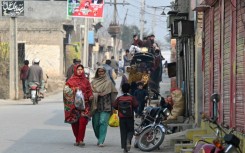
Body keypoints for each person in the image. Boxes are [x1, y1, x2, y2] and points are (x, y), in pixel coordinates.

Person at [63, 64, 94, 146]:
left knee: (83, 121)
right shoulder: (70, 81)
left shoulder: (86, 81)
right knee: (75, 122)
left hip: (85, 105)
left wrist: (90, 95)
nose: (80, 71)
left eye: (81, 69)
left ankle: (80, 140)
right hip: (74, 106)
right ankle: (77, 139)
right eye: (78, 69)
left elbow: (89, 90)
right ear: (75, 70)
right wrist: (74, 89)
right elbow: (66, 91)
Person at [91, 66, 118, 147]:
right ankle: (99, 137)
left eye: (102, 71)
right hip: (95, 105)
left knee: (103, 122)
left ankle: (101, 141)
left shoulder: (109, 82)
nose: (101, 73)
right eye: (99, 72)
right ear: (97, 73)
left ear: (105, 72)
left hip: (106, 105)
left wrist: (114, 106)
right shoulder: (93, 82)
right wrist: (96, 94)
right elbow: (89, 93)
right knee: (95, 124)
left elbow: (114, 93)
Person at [112, 83, 138, 153]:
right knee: (131, 130)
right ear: (129, 90)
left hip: (122, 117)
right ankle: (128, 140)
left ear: (122, 90)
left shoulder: (119, 98)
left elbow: (114, 105)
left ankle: (125, 149)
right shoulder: (131, 98)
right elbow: (136, 105)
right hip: (130, 117)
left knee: (123, 132)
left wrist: (120, 109)